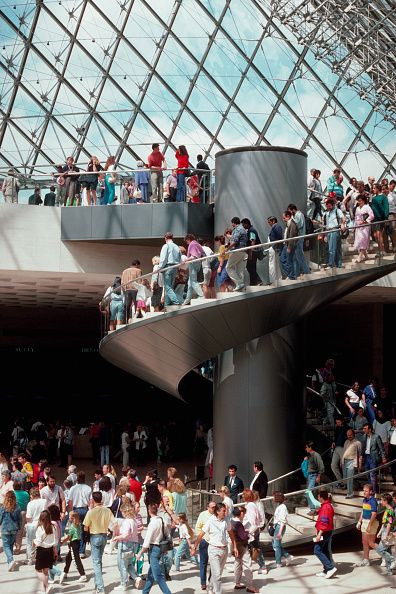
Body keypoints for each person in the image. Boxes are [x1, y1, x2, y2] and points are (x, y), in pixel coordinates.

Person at [193, 502, 239, 594]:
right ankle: (218, 592)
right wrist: (194, 547)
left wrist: (235, 547)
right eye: (223, 511)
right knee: (217, 575)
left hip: (224, 549)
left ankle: (210, 586)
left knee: (218, 573)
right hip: (213, 549)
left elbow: (231, 534)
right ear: (217, 511)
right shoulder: (210, 521)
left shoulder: (226, 520)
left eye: (225, 511)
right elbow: (201, 534)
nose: (225, 512)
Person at [135, 503, 172, 594]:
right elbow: (168, 534)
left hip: (154, 550)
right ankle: (145, 592)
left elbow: (147, 542)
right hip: (161, 548)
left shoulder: (152, 524)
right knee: (151, 573)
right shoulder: (162, 520)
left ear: (149, 511)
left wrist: (140, 553)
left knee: (158, 576)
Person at [83, 491, 116, 593]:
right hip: (104, 536)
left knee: (96, 563)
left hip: (94, 537)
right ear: (101, 499)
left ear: (92, 500)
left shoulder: (90, 512)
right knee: (99, 561)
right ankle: (97, 585)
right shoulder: (107, 511)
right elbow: (114, 523)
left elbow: (85, 528)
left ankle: (100, 588)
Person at [111, 502, 140, 591]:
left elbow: (126, 535)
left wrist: (116, 537)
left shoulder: (127, 521)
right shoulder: (134, 520)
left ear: (125, 512)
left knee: (122, 565)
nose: (122, 514)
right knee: (129, 564)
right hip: (133, 545)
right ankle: (136, 577)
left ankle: (123, 584)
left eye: (122, 512)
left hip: (125, 544)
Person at [231, 507, 259, 593]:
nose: (244, 515)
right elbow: (243, 536)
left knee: (237, 564)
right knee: (247, 565)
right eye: (244, 513)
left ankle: (237, 583)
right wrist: (248, 532)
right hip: (242, 546)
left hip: (235, 546)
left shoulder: (231, 521)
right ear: (241, 513)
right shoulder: (238, 523)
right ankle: (250, 586)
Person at [68, 471, 92, 556]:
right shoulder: (88, 488)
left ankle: (75, 549)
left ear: (77, 479)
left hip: (76, 510)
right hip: (85, 510)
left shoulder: (73, 488)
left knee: (75, 530)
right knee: (83, 530)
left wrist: (70, 512)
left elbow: (70, 502)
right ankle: (82, 551)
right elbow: (90, 502)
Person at [314, 490, 337, 579]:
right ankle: (326, 570)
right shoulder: (327, 506)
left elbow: (324, 522)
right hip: (328, 531)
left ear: (321, 498)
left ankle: (330, 568)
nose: (318, 498)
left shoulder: (326, 507)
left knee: (317, 550)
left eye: (318, 496)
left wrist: (319, 534)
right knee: (324, 550)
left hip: (325, 532)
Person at [59, 510, 87, 584]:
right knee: (68, 558)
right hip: (77, 543)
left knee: (76, 559)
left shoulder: (72, 527)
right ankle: (65, 571)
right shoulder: (79, 524)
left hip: (73, 544)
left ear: (73, 518)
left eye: (70, 517)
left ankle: (82, 575)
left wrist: (62, 542)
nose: (69, 518)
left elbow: (69, 537)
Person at [355, 483, 379, 566]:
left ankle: (386, 555)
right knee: (364, 542)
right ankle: (366, 559)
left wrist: (369, 525)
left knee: (371, 543)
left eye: (366, 491)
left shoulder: (373, 501)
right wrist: (359, 521)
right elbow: (363, 511)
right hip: (364, 521)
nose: (364, 492)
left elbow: (374, 514)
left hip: (371, 523)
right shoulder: (364, 499)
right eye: (363, 490)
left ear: (371, 492)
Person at [34, 509, 57, 592]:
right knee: (46, 572)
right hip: (50, 551)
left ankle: (47, 585)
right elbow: (56, 541)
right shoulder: (53, 527)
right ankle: (45, 590)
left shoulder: (40, 528)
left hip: (42, 551)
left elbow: (38, 542)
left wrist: (34, 541)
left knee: (38, 571)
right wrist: (55, 552)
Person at [195, 500, 216, 589]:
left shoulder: (217, 515)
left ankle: (211, 581)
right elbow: (197, 527)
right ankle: (203, 582)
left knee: (213, 563)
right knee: (203, 562)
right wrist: (202, 538)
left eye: (215, 507)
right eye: (212, 507)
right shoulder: (203, 515)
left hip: (214, 542)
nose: (214, 509)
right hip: (205, 541)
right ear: (208, 508)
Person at [360, 423, 386, 494]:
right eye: (363, 428)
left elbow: (381, 448)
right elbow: (363, 448)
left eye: (365, 428)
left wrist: (383, 457)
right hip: (366, 457)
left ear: (370, 429)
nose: (363, 430)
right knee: (368, 474)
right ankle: (371, 489)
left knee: (372, 475)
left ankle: (374, 492)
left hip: (373, 457)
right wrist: (361, 456)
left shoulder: (376, 436)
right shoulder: (364, 437)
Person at [159, 232, 182, 307]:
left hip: (168, 267)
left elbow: (163, 258)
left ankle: (177, 301)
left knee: (167, 287)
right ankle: (167, 304)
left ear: (165, 238)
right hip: (175, 267)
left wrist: (160, 268)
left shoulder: (166, 246)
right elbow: (180, 258)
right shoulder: (176, 246)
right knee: (170, 287)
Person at [287, 203, 310, 278]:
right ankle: (296, 274)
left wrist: (291, 220)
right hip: (297, 238)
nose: (290, 213)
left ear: (293, 209)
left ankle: (307, 272)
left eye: (290, 211)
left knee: (300, 257)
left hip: (299, 238)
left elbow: (298, 225)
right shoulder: (296, 215)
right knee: (296, 257)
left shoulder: (299, 215)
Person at [0, 491, 21, 571]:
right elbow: (19, 519)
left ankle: (11, 560)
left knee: (6, 546)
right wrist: (19, 527)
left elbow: (0, 519)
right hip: (14, 529)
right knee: (11, 545)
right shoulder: (17, 507)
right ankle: (10, 563)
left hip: (5, 529)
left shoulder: (3, 507)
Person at [375, 493, 396, 574]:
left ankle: (392, 559)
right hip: (384, 531)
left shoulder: (390, 511)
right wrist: (380, 532)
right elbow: (384, 523)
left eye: (382, 500)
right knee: (387, 550)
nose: (380, 502)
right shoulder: (387, 510)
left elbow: (389, 524)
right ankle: (389, 570)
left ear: (386, 501)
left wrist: (386, 535)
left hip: (387, 532)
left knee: (380, 549)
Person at [225, 217, 248, 291]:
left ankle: (239, 283)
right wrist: (230, 237)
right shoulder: (243, 229)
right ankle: (241, 287)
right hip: (243, 251)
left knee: (228, 267)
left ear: (234, 223)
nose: (232, 225)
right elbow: (238, 238)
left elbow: (235, 241)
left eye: (232, 223)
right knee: (239, 270)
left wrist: (226, 249)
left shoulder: (237, 229)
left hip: (237, 250)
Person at [322, 197, 346, 268]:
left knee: (332, 248)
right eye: (327, 206)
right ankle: (338, 264)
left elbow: (343, 218)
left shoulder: (337, 211)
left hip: (335, 230)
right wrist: (325, 234)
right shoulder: (326, 213)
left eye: (329, 206)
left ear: (332, 205)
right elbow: (325, 224)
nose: (328, 207)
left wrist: (342, 224)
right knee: (335, 248)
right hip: (329, 231)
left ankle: (331, 264)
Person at [271, 491, 293, 568]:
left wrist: (280, 532)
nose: (272, 498)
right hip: (278, 526)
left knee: (276, 545)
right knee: (276, 544)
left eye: (274, 497)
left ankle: (278, 562)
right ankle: (287, 556)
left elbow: (283, 520)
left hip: (279, 527)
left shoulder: (282, 507)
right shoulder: (280, 506)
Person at [183, 234, 205, 305]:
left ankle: (201, 295)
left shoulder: (192, 244)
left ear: (188, 239)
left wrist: (186, 260)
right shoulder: (198, 244)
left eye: (186, 241)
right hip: (198, 264)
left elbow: (193, 256)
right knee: (190, 283)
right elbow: (203, 255)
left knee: (193, 281)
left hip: (193, 264)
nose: (187, 243)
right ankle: (187, 300)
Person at [353, 194, 374, 262]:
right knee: (359, 240)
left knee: (363, 240)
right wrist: (355, 225)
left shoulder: (367, 207)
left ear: (364, 201)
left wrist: (365, 221)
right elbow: (356, 218)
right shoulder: (357, 208)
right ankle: (366, 256)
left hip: (365, 226)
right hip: (358, 226)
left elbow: (371, 215)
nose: (359, 202)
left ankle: (360, 256)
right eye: (358, 201)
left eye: (360, 201)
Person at [305, 442, 324, 515]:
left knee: (308, 492)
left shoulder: (316, 455)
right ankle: (313, 508)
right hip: (310, 475)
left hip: (314, 475)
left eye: (306, 447)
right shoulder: (310, 456)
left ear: (310, 447)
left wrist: (318, 476)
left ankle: (313, 509)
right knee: (311, 493)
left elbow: (321, 466)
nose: (306, 449)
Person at [241, 218, 262, 286]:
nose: (243, 226)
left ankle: (257, 281)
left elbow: (253, 240)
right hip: (253, 251)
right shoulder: (251, 230)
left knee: (250, 267)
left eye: (243, 224)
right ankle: (254, 282)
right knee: (252, 267)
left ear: (247, 223)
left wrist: (251, 252)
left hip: (253, 251)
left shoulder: (251, 230)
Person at [341, 429, 361, 498]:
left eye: (350, 435)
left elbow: (359, 455)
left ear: (354, 434)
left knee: (350, 478)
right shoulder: (346, 441)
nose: (349, 436)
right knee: (346, 478)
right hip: (345, 461)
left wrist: (357, 464)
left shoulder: (357, 442)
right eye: (348, 435)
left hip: (352, 461)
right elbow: (344, 451)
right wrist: (342, 460)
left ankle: (350, 494)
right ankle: (357, 485)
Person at [331, 418, 348, 486]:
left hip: (343, 447)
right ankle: (341, 481)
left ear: (342, 421)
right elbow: (335, 437)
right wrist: (333, 442)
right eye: (336, 422)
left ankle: (345, 483)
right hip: (337, 447)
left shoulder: (347, 428)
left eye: (338, 422)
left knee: (343, 466)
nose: (337, 423)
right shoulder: (337, 428)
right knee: (333, 465)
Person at [13, 480, 29, 553]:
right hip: (23, 512)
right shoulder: (26, 493)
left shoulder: (12, 493)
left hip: (13, 512)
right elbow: (28, 502)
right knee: (20, 531)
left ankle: (14, 546)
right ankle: (18, 547)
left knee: (13, 530)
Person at [266, 216, 283, 283]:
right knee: (275, 263)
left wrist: (273, 246)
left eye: (269, 222)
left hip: (273, 248)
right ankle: (278, 278)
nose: (269, 224)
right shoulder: (276, 227)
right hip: (274, 247)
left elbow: (279, 237)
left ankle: (273, 280)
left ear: (273, 221)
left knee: (272, 264)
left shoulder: (276, 227)